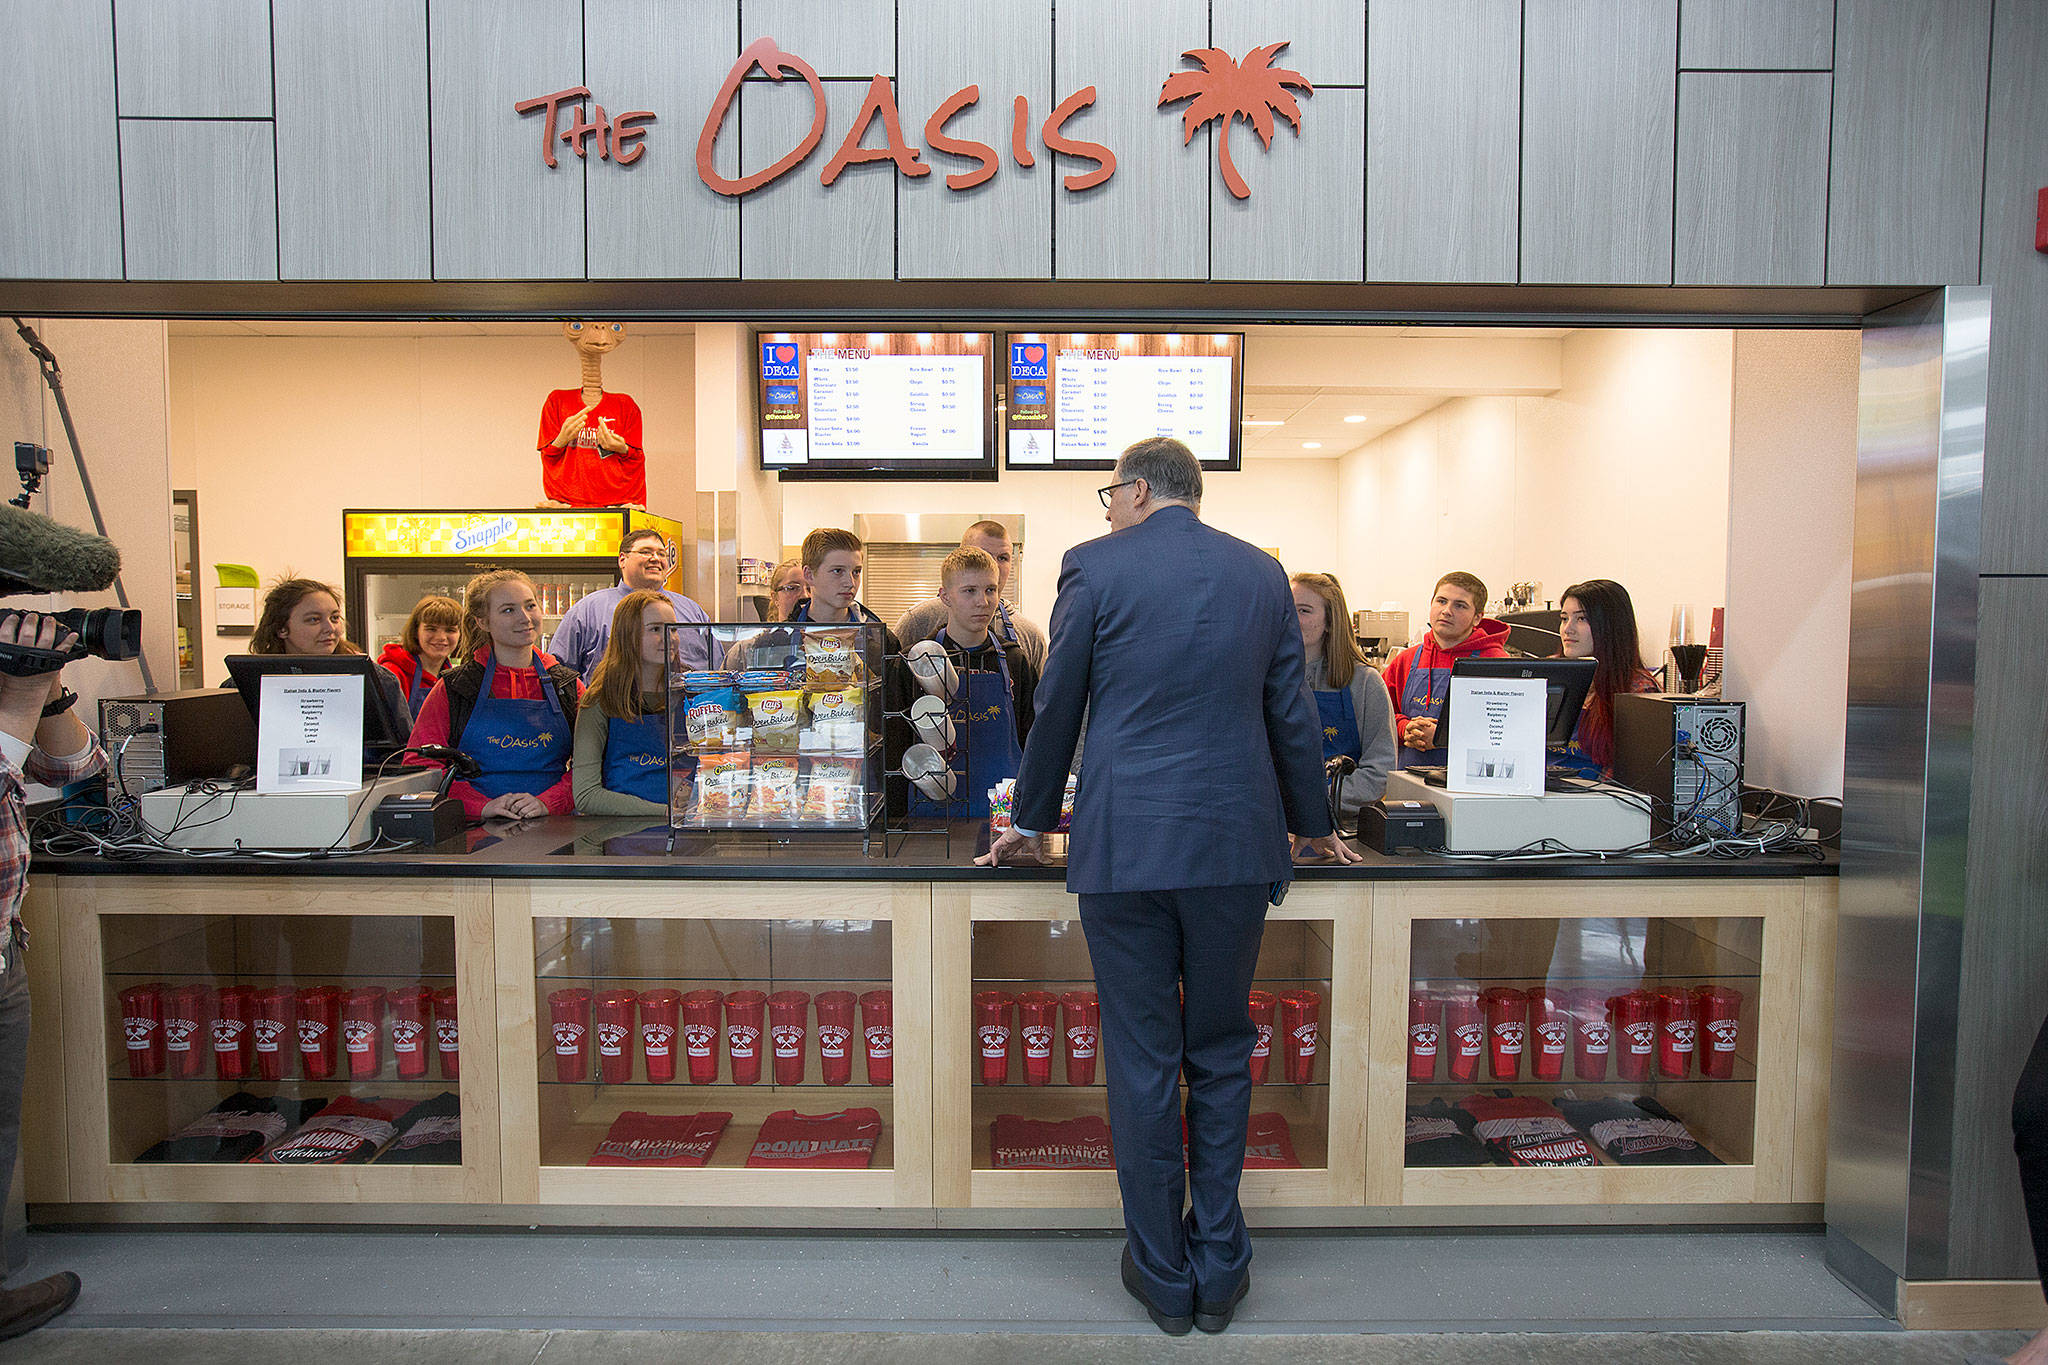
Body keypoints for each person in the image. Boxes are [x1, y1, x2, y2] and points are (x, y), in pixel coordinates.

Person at [979, 437, 1357, 1336]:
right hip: (1234, 847)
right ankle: (1221, 1265)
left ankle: (1161, 1270)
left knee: (1145, 1057)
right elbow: (1287, 710)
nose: (1107, 509)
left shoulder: (1094, 568)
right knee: (1221, 1048)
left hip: (1127, 851)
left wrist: (1029, 822)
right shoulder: (1263, 575)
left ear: (1140, 489)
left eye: (1111, 493)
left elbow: (1059, 703)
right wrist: (1314, 822)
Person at [0, 610, 101, 1340]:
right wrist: (17, 696)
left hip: (5, 939)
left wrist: (50, 687)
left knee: (2, 1125)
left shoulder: (19, 692)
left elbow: (71, 768)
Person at [407, 570, 582, 822]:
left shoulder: (567, 686)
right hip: (472, 828)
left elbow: (593, 766)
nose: (525, 618)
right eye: (508, 610)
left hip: (555, 825)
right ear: (482, 622)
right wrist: (479, 805)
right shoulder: (455, 688)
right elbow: (419, 764)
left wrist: (550, 802)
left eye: (530, 605)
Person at [906, 546, 1038, 820]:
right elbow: (900, 743)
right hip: (933, 818)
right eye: (970, 591)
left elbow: (1033, 740)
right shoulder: (917, 664)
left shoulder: (1014, 660)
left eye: (990, 590)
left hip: (1002, 813)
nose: (983, 601)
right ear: (944, 596)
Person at [1290, 572, 1396, 829]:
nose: (1292, 618)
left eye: (1304, 611)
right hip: (1278, 825)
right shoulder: (1266, 679)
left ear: (1329, 621)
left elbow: (1379, 771)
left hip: (1344, 827)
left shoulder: (1366, 683)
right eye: (1287, 608)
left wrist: (1314, 801)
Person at [1382, 570, 1510, 768]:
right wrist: (1404, 728)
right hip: (1407, 779)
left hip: (1469, 783)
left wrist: (1446, 737)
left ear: (1477, 617)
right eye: (1441, 601)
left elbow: (1507, 732)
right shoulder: (1406, 660)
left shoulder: (1496, 663)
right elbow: (1382, 713)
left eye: (1459, 605)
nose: (1447, 611)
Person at [546, 529, 709, 682]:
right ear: (622, 559)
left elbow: (719, 672)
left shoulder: (693, 612)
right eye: (646, 552)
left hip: (687, 709)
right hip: (610, 710)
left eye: (662, 554)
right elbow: (558, 674)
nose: (656, 558)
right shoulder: (587, 611)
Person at [572, 590, 677, 819]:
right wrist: (667, 812)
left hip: (688, 841)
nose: (669, 638)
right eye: (655, 629)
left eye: (673, 629)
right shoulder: (600, 701)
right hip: (620, 837)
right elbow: (586, 795)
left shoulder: (689, 695)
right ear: (627, 635)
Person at [893, 520, 1048, 674]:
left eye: (1003, 558)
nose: (993, 565)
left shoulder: (1029, 637)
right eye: (983, 555)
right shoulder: (918, 620)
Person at [244, 576, 409, 719]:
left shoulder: (378, 681)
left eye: (335, 617)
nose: (330, 628)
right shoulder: (244, 687)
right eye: (314, 620)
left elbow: (403, 751)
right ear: (282, 629)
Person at [1553, 578, 1658, 779]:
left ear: (1610, 626)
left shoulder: (1637, 691)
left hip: (1597, 801)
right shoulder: (1554, 676)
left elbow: (1630, 776)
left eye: (1581, 619)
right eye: (1564, 618)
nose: (1568, 629)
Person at [536, 319, 645, 508]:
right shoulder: (557, 401)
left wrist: (621, 447)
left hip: (616, 502)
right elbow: (548, 452)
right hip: (568, 503)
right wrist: (562, 438)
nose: (599, 328)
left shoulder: (625, 405)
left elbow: (636, 457)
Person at [378, 595, 461, 720]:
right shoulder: (392, 674)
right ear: (416, 631)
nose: (441, 637)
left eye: (450, 630)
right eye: (431, 629)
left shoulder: (455, 678)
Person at [765, 557, 804, 623]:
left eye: (809, 589)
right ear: (775, 597)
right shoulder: (769, 633)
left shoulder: (821, 631)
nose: (805, 595)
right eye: (792, 588)